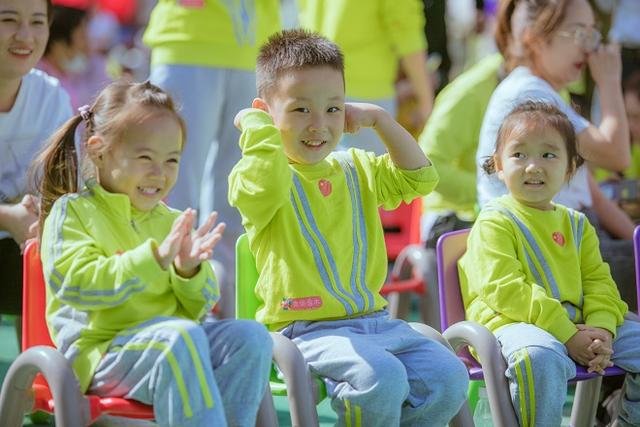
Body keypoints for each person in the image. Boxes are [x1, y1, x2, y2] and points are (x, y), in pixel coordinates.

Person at [228, 29, 468, 426]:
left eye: (333, 108)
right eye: (301, 110)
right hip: (303, 330)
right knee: (380, 377)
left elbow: (421, 180)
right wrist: (257, 127)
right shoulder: (259, 173)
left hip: (374, 322)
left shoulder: (355, 166)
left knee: (448, 376)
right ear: (266, 112)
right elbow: (262, 186)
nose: (319, 124)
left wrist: (380, 119)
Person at [35, 80, 273, 427]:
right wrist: (154, 260)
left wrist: (187, 271)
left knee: (250, 338)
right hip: (100, 354)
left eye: (171, 160)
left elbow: (202, 305)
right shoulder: (72, 213)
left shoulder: (172, 221)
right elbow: (77, 286)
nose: (159, 173)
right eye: (145, 157)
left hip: (171, 347)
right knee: (180, 338)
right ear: (99, 151)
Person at [459, 101, 640, 427]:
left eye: (548, 155)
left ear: (571, 167)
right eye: (519, 155)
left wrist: (601, 328)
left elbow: (599, 281)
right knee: (539, 357)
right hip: (512, 326)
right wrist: (567, 334)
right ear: (498, 165)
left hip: (579, 325)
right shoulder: (495, 220)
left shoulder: (577, 224)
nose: (533, 166)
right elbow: (506, 290)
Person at [476, 0, 637, 311]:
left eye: (593, 34)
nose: (589, 49)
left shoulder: (548, 92)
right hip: (538, 246)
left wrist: (635, 238)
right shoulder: (530, 95)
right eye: (578, 34)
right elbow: (618, 156)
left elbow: (588, 190)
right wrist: (609, 82)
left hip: (563, 236)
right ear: (536, 37)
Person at [143, 1, 281, 318]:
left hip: (257, 50)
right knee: (169, 185)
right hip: (187, 41)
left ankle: (231, 316)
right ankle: (160, 308)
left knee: (240, 193)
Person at [0, 0, 72, 318]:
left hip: (25, 240)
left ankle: (40, 367)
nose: (25, 35)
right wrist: (8, 217)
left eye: (38, 21)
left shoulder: (51, 98)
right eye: (9, 20)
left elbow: (65, 187)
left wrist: (37, 217)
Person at [297, 0, 433, 154]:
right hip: (368, 98)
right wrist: (426, 102)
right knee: (367, 176)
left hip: (316, 88)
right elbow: (408, 37)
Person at [37, 3, 111, 110]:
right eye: (81, 35)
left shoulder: (75, 72)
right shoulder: (39, 78)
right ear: (59, 42)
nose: (86, 42)